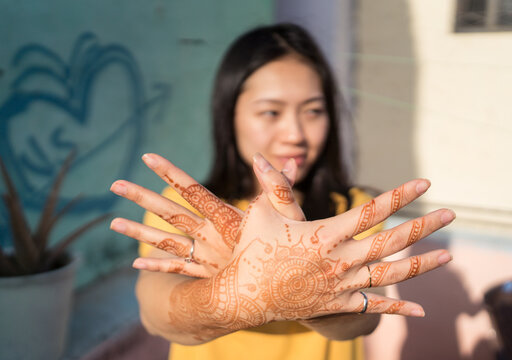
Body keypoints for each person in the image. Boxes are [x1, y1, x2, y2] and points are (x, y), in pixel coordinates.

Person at [109, 23, 455, 360]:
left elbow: (363, 319)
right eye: (271, 112)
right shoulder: (187, 210)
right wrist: (227, 297)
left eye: (314, 111)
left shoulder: (351, 209)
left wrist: (301, 292)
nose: (295, 134)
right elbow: (155, 312)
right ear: (230, 115)